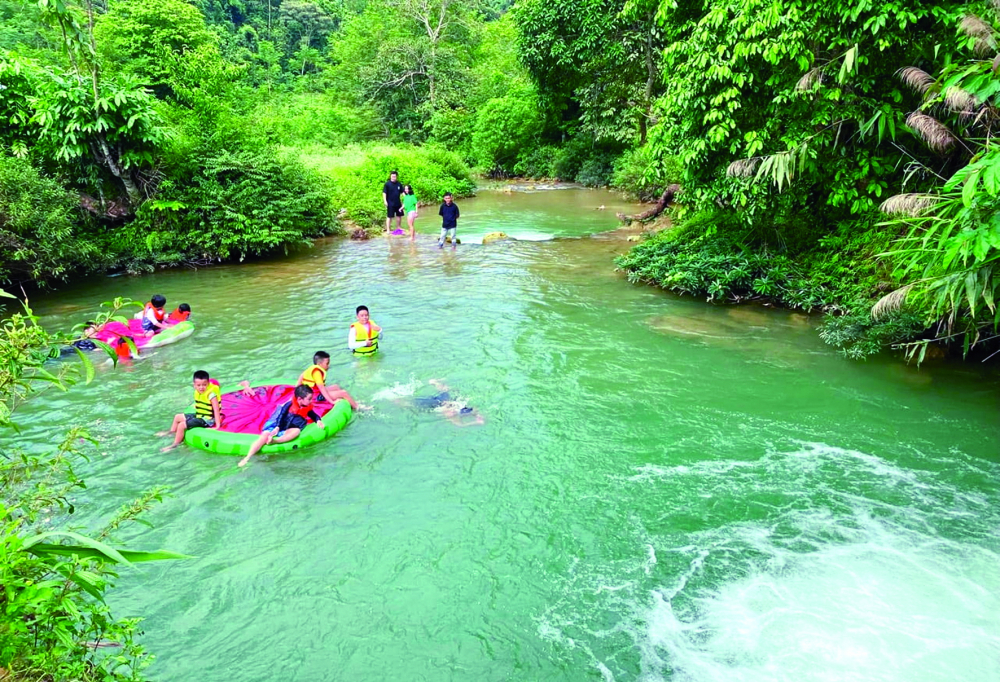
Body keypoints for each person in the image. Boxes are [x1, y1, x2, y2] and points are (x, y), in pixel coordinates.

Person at [158, 371, 252, 452]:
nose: (201, 387)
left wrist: (217, 426)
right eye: (199, 385)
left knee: (182, 425)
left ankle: (174, 445)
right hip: (201, 415)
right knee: (177, 417)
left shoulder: (212, 395)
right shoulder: (198, 392)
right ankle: (171, 432)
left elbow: (216, 410)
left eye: (204, 385)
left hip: (208, 420)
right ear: (194, 385)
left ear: (208, 385)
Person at [238, 385, 325, 467]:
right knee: (264, 437)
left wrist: (318, 420)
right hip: (279, 424)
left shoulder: (307, 406)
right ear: (300, 399)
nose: (311, 401)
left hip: (291, 427)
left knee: (296, 432)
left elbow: (313, 415)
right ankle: (247, 457)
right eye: (309, 399)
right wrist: (277, 427)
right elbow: (281, 415)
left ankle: (275, 441)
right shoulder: (289, 404)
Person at [411, 379, 484, 427]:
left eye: (451, 408)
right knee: (444, 392)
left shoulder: (458, 411)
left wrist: (478, 417)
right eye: (450, 408)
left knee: (444, 392)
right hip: (440, 404)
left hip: (442, 403)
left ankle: (435, 382)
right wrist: (476, 421)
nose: (452, 410)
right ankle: (435, 382)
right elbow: (461, 424)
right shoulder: (453, 413)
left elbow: (473, 411)